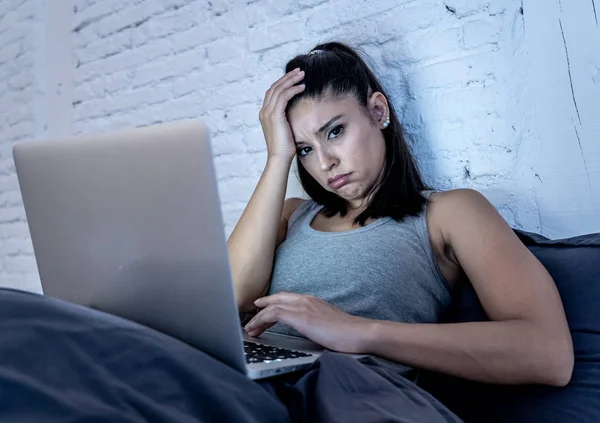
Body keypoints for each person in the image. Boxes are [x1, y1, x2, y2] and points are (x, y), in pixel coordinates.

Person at [226, 41, 574, 419]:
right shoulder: (291, 215)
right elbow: (232, 299)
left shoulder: (448, 212)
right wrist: (279, 156)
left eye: (335, 131)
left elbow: (549, 354)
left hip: (351, 396)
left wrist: (355, 331)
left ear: (377, 111)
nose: (325, 163)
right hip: (258, 388)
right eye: (305, 149)